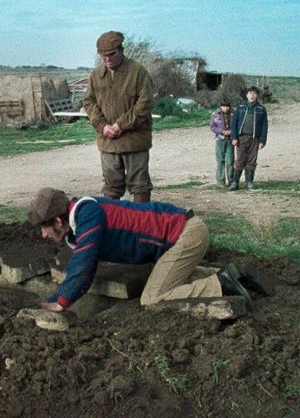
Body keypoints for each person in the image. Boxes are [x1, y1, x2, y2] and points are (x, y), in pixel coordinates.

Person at [25, 187, 250, 312]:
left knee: (152, 298)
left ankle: (221, 285)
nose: (44, 235)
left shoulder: (88, 214)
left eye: (44, 228)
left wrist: (62, 302)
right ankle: (231, 274)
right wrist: (56, 299)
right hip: (180, 236)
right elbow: (87, 267)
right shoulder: (78, 227)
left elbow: (82, 262)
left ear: (57, 221)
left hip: (185, 234)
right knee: (168, 279)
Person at [82, 31, 155, 203]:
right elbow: (88, 102)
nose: (107, 59)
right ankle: (114, 219)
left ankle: (141, 219)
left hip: (134, 141)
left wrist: (121, 125)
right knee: (111, 187)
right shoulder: (96, 75)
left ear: (121, 50)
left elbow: (145, 103)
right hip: (108, 142)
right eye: (103, 55)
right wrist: (102, 126)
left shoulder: (138, 72)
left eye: (111, 54)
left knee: (140, 185)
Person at [229, 86, 268, 190]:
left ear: (257, 95)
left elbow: (264, 126)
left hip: (255, 139)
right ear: (246, 95)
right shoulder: (240, 107)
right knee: (240, 160)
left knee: (252, 160)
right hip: (241, 138)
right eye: (250, 93)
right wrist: (234, 137)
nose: (252, 95)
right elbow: (234, 123)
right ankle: (235, 182)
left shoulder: (261, 109)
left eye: (254, 93)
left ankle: (249, 182)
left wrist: (262, 140)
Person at [210, 101, 234, 186]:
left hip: (231, 139)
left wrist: (232, 131)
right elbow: (212, 127)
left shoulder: (234, 113)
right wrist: (222, 131)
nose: (226, 108)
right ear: (220, 106)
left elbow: (238, 124)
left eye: (227, 106)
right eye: (224, 106)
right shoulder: (215, 114)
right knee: (220, 160)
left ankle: (231, 180)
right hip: (220, 139)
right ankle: (220, 180)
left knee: (230, 161)